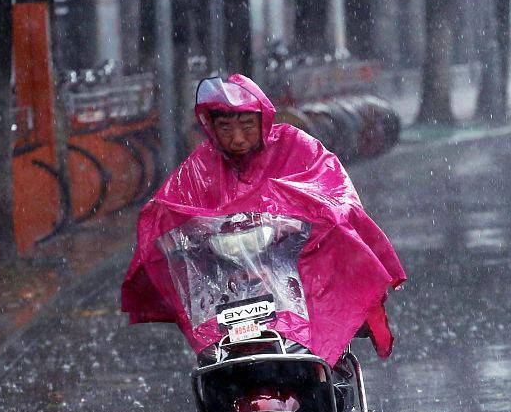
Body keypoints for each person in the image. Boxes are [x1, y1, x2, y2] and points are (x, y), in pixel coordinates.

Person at [121, 74, 406, 369]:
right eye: (225, 128)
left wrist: (315, 218)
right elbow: (168, 207)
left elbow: (332, 189)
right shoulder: (200, 166)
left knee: (317, 346)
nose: (237, 138)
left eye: (246, 126)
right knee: (212, 367)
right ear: (210, 128)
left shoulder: (294, 145)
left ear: (263, 121)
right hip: (229, 281)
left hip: (294, 268)